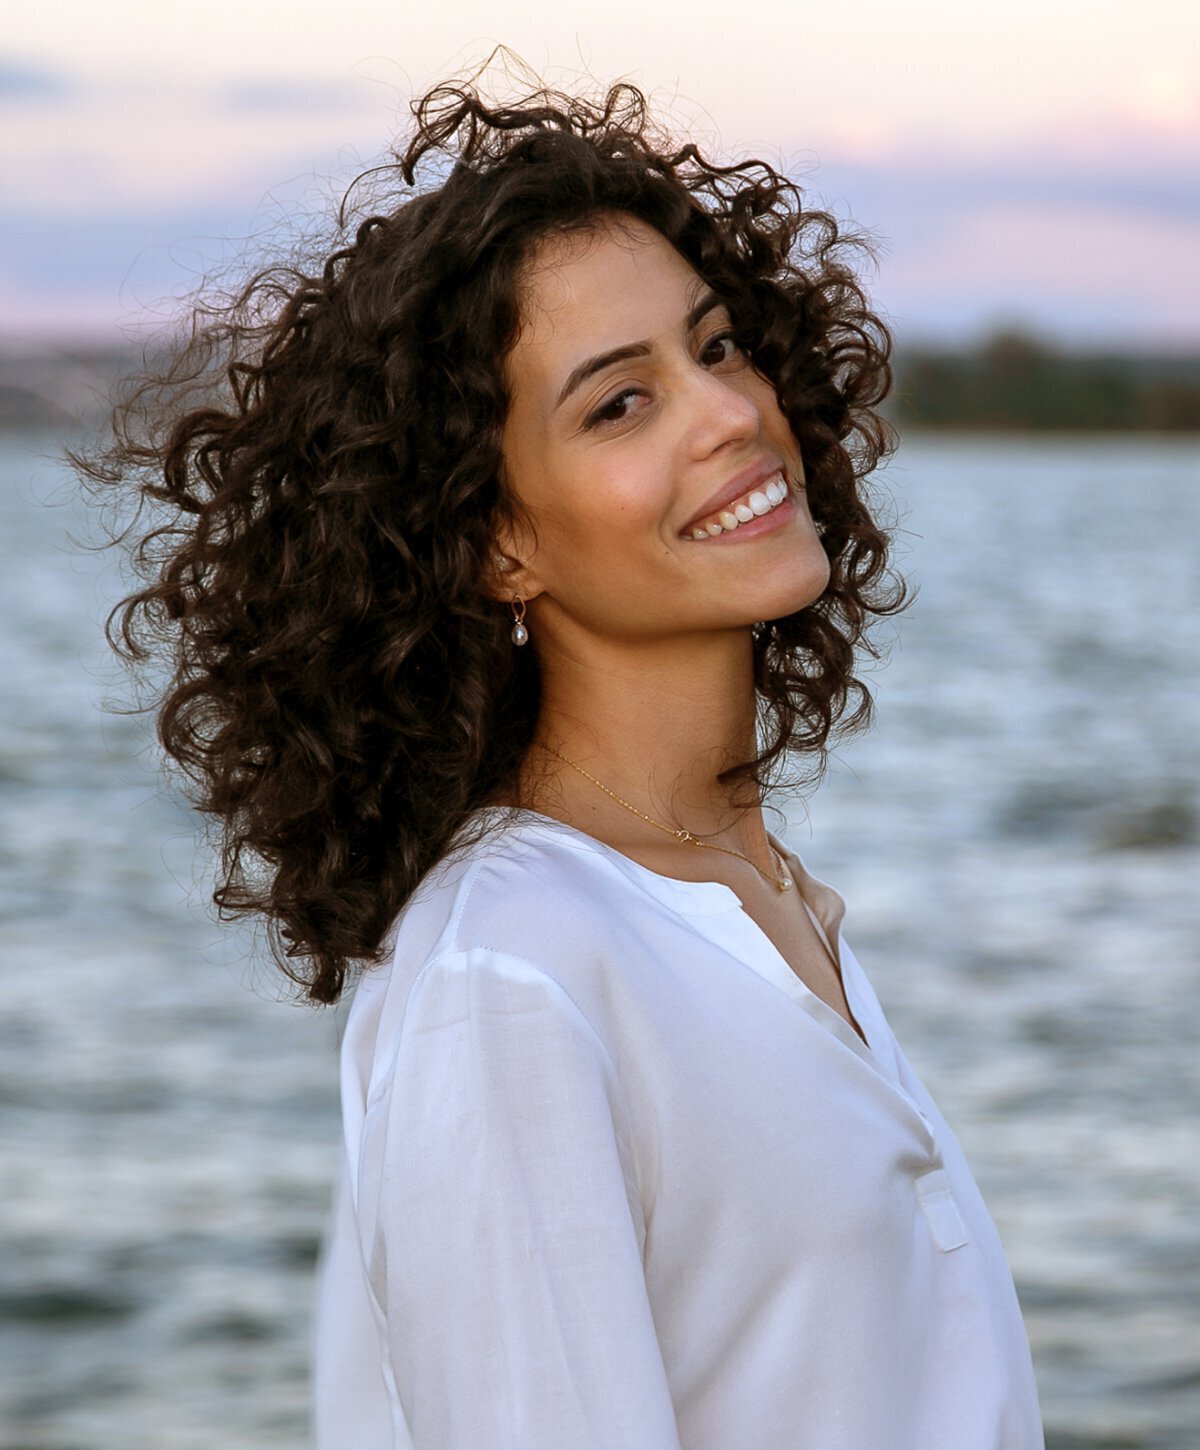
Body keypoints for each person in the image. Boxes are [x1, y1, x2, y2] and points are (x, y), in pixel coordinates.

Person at [81, 67, 1044, 1450]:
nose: (726, 414)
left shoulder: (749, 899)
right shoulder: (511, 972)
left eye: (716, 347)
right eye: (617, 405)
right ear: (493, 541)